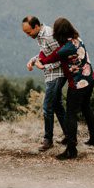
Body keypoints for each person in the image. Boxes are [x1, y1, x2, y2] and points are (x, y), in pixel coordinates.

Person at [40, 17, 94, 160]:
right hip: (90, 78)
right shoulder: (77, 39)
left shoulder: (64, 49)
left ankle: (71, 150)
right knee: (86, 108)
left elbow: (50, 58)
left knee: (71, 115)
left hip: (78, 84)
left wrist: (39, 62)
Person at [20, 16, 63, 152]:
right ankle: (69, 135)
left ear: (36, 26)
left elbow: (63, 57)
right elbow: (46, 53)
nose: (28, 35)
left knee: (47, 107)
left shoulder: (49, 36)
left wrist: (45, 67)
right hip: (52, 74)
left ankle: (48, 140)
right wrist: (33, 60)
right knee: (57, 106)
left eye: (28, 32)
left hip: (57, 75)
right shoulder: (40, 36)